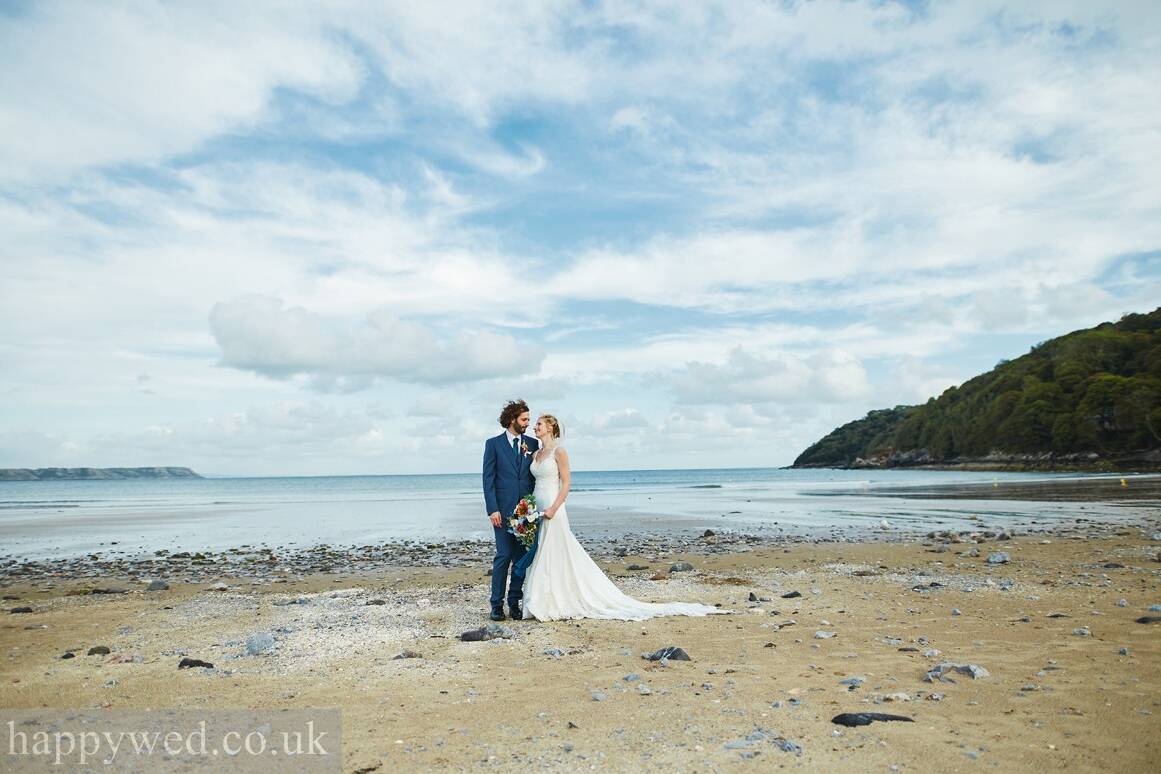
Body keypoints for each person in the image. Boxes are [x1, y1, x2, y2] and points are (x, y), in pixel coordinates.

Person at [522, 414, 723, 621]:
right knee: (539, 551)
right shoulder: (536, 453)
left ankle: (555, 600)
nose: (534, 427)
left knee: (554, 550)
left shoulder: (559, 452)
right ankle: (540, 599)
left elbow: (566, 484)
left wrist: (554, 508)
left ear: (550, 427)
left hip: (553, 506)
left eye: (539, 424)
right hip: (537, 505)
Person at [481, 399, 539, 621]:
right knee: (503, 556)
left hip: (526, 513)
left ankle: (514, 602)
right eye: (524, 419)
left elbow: (535, 475)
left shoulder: (532, 444)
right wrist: (492, 509)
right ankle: (496, 605)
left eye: (529, 420)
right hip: (502, 513)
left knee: (521, 559)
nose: (527, 423)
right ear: (512, 419)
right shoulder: (493, 444)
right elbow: (488, 479)